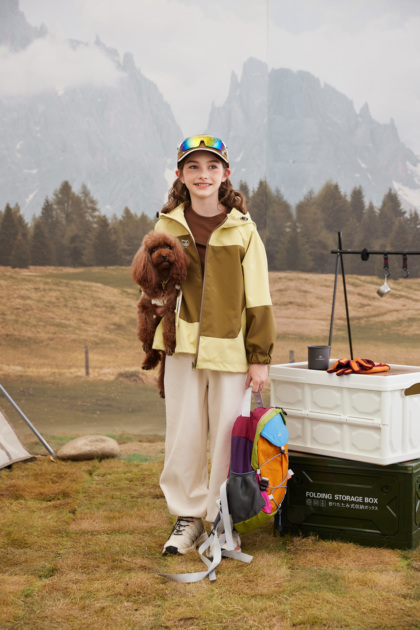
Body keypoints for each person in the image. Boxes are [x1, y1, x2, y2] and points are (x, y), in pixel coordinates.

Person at [151, 135, 276, 556]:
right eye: (193, 167)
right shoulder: (166, 227)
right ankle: (188, 518)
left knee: (227, 437)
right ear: (180, 175)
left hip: (231, 351)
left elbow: (259, 298)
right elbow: (152, 288)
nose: (202, 175)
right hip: (181, 348)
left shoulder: (243, 230)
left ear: (225, 174)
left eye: (211, 167)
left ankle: (223, 518)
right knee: (183, 434)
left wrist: (259, 358)